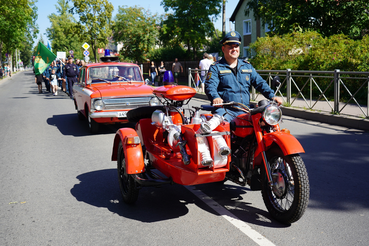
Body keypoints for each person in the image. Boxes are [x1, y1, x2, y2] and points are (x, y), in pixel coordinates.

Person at [205, 31, 282, 122]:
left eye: (236, 46)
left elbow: (260, 83)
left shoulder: (247, 66)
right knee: (222, 129)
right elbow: (210, 86)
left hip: (245, 110)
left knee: (265, 127)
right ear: (223, 49)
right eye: (230, 46)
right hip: (225, 110)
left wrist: (272, 95)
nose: (234, 49)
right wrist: (215, 97)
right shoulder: (216, 67)